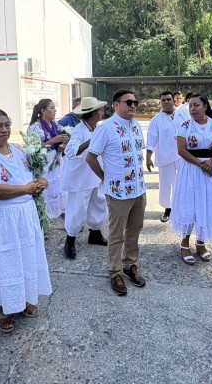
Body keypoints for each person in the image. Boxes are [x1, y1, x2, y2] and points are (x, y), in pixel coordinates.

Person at [0, 109, 52, 333]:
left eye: (6, 125)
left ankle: (24, 298)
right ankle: (4, 307)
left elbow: (31, 176)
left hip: (24, 215)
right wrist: (26, 189)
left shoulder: (19, 150)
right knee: (3, 260)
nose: (4, 130)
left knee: (25, 256)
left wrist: (40, 183)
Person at [86, 89, 147, 296]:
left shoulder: (136, 125)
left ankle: (130, 264)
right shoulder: (106, 128)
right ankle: (115, 272)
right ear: (116, 105)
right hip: (118, 192)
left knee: (134, 230)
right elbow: (90, 157)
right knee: (116, 234)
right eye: (128, 102)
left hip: (139, 190)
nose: (133, 105)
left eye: (135, 102)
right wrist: (104, 177)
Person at [171, 94, 212, 265]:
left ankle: (201, 243)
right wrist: (201, 164)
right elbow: (181, 150)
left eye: (196, 105)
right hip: (191, 169)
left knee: (207, 203)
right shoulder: (184, 126)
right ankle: (184, 244)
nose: (192, 108)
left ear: (205, 106)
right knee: (190, 204)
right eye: (190, 105)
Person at [61, 97, 108, 259]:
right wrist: (91, 141)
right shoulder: (79, 130)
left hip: (95, 173)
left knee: (99, 203)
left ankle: (95, 233)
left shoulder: (98, 128)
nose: (102, 112)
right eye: (99, 110)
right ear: (93, 114)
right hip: (80, 178)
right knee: (77, 208)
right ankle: (70, 240)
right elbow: (70, 151)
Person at [29, 99, 69, 219]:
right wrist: (52, 141)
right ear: (43, 110)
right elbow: (33, 148)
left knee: (58, 187)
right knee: (46, 189)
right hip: (44, 164)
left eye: (54, 107)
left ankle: (58, 213)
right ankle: (44, 217)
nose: (55, 110)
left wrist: (61, 147)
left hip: (56, 161)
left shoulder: (55, 124)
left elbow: (57, 144)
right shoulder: (35, 127)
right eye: (52, 108)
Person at [146, 91, 180, 222]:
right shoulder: (156, 120)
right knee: (166, 185)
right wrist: (148, 158)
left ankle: (182, 208)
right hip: (165, 158)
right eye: (163, 100)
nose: (166, 102)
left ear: (173, 101)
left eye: (168, 99)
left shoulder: (183, 114)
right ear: (160, 103)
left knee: (183, 182)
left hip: (183, 156)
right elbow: (151, 140)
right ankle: (168, 209)